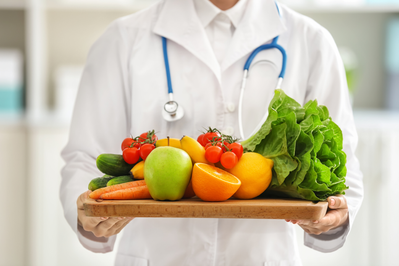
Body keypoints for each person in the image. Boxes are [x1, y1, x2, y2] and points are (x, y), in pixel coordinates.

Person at [60, 0, 364, 265]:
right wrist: (88, 215)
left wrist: (335, 216)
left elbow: (340, 165)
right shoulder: (122, 39)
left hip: (261, 255)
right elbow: (85, 158)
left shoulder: (311, 42)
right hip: (158, 256)